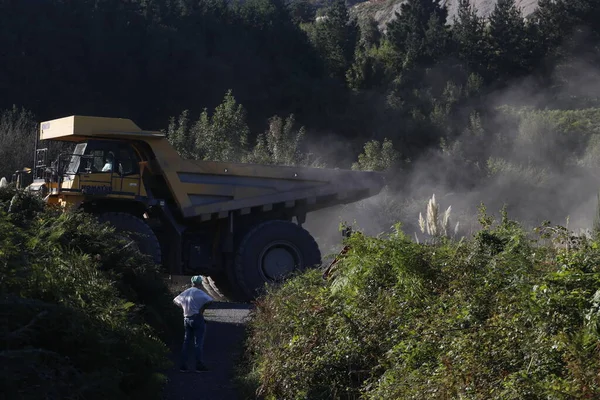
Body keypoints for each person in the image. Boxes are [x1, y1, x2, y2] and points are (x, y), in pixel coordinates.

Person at [173, 275, 214, 372]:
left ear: (192, 283)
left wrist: (182, 307)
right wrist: (201, 309)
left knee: (186, 342)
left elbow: (175, 300)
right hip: (197, 318)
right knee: (198, 343)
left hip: (186, 318)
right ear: (200, 284)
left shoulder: (186, 292)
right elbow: (210, 301)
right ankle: (199, 366)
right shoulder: (199, 292)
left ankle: (183, 366)